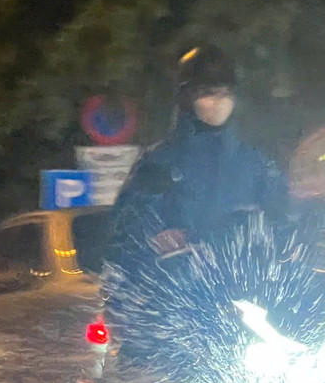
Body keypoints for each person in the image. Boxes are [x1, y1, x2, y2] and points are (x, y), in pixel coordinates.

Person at [106, 44, 289, 274]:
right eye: (208, 93)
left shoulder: (255, 161)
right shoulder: (160, 161)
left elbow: (281, 216)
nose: (218, 102)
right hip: (176, 281)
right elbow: (128, 226)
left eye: (225, 94)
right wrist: (155, 237)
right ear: (188, 97)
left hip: (245, 280)